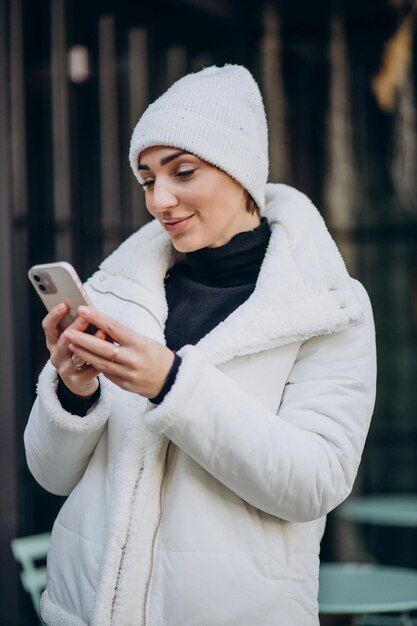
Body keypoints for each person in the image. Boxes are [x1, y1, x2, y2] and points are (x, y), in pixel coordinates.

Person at [24, 64, 376, 626]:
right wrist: (72, 394)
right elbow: (50, 476)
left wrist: (172, 385)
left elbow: (315, 483)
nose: (160, 199)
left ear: (241, 173)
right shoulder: (119, 293)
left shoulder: (327, 307)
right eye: (146, 179)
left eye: (182, 172)